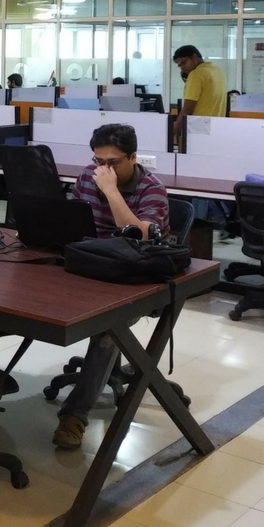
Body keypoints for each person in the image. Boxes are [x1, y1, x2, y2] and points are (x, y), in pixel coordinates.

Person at [54, 123, 169, 450]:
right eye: (99, 161)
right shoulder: (85, 177)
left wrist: (111, 191)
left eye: (114, 162)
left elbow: (139, 236)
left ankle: (75, 414)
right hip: (92, 266)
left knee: (109, 327)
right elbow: (73, 223)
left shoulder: (152, 190)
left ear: (133, 157)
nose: (104, 169)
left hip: (137, 276)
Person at [171, 45, 227, 146]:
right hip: (216, 127)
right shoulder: (217, 70)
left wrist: (173, 131)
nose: (182, 67)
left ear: (194, 56)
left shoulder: (196, 74)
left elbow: (188, 109)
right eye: (179, 66)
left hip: (198, 129)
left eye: (184, 62)